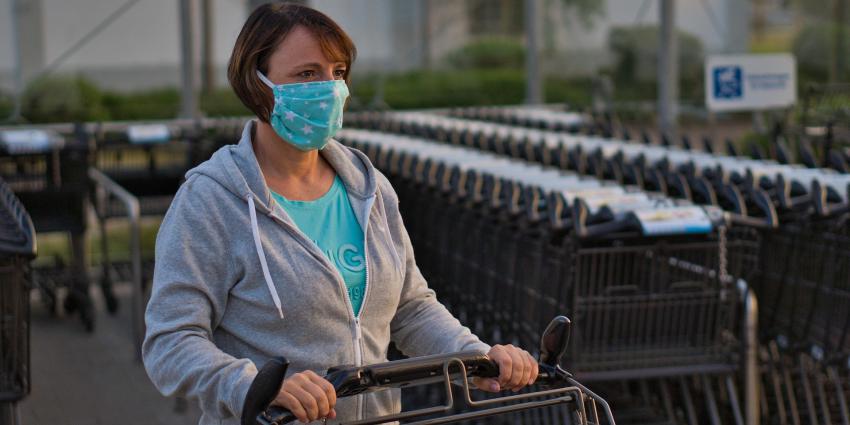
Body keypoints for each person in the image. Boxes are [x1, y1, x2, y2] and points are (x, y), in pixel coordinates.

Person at [142, 3, 538, 424]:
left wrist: (474, 358)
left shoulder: (368, 188)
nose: (329, 88)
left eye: (338, 71)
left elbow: (410, 307)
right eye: (307, 74)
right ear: (257, 84)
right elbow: (171, 340)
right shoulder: (212, 200)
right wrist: (251, 386)